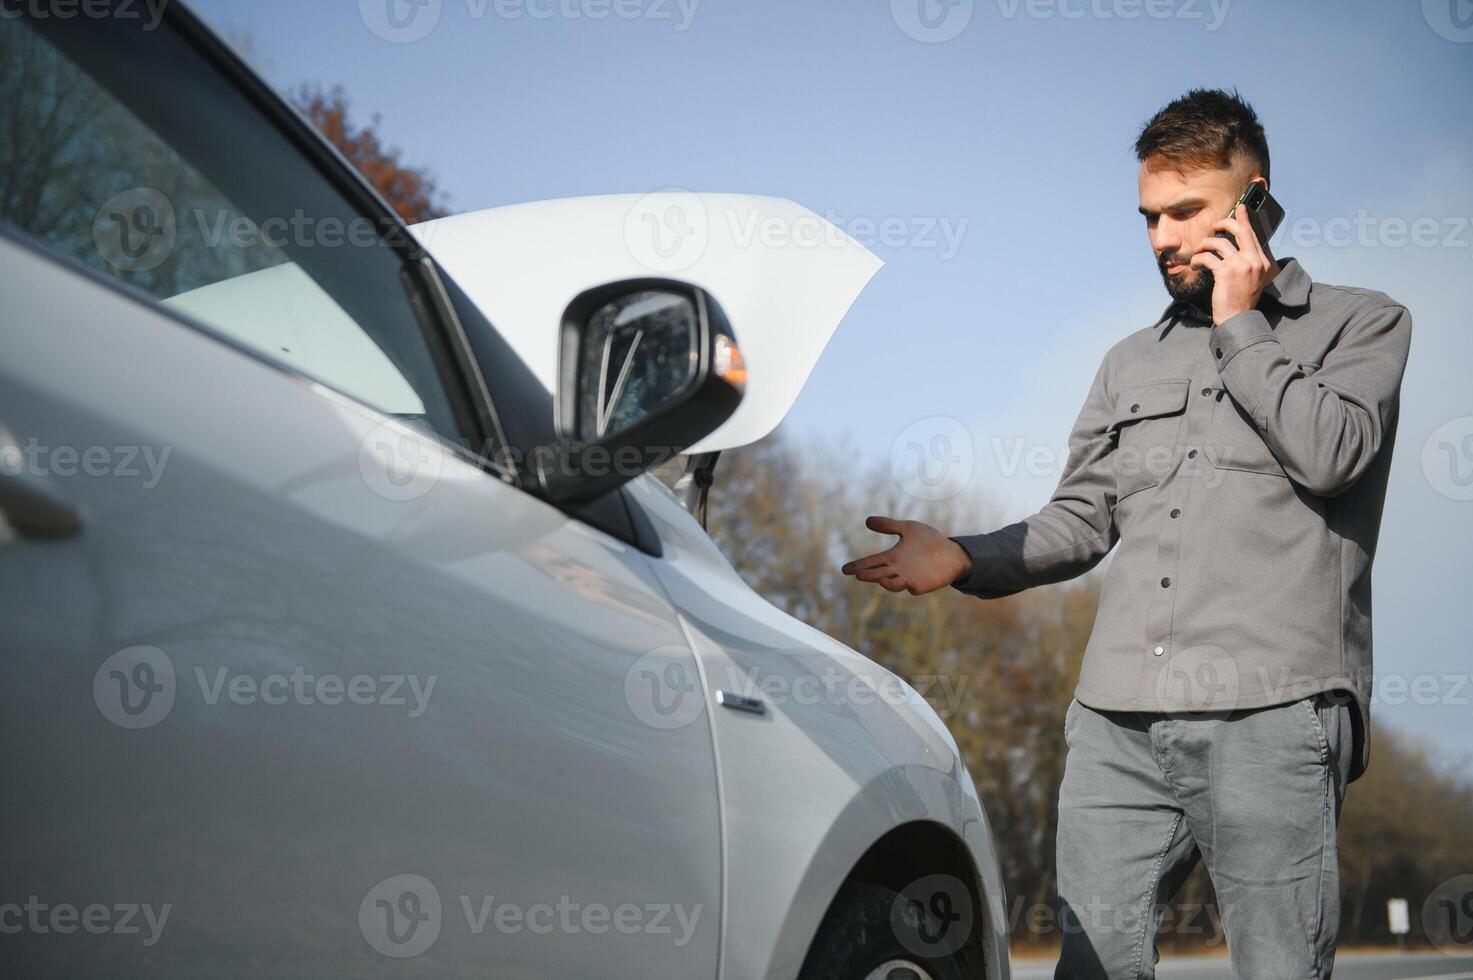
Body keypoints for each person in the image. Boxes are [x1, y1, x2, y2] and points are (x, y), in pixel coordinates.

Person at [840, 88, 1412, 979]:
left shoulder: (1360, 321)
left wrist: (1239, 326)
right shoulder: (1128, 361)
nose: (1163, 239)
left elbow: (1333, 454)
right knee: (1091, 966)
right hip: (1116, 721)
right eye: (1149, 218)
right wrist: (964, 556)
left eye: (1187, 213)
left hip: (1273, 708)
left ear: (1252, 201)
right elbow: (1083, 515)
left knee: (1280, 967)